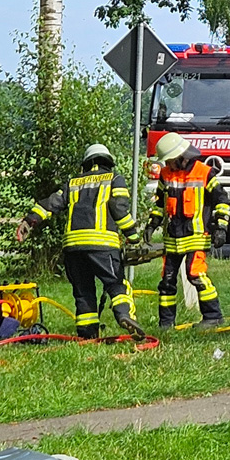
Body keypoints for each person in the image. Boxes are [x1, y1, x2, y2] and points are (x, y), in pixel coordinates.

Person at [16, 143, 144, 339]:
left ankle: (87, 333)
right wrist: (133, 235)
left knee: (83, 291)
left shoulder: (73, 183)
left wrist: (29, 221)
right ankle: (124, 315)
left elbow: (52, 203)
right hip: (102, 244)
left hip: (73, 248)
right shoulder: (114, 179)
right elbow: (119, 208)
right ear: (108, 162)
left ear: (86, 163)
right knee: (116, 283)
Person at [147, 132, 230, 329]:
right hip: (172, 238)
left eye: (170, 160)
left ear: (182, 156)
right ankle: (166, 324)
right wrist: (152, 224)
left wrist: (221, 227)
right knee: (167, 282)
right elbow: (160, 202)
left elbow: (222, 200)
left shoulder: (204, 173)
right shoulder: (166, 174)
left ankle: (213, 317)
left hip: (196, 237)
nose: (168, 164)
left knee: (196, 275)